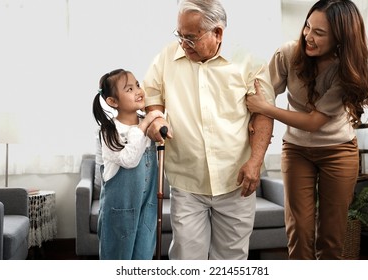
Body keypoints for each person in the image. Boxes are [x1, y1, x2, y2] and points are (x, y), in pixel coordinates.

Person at [142, 0, 275, 260]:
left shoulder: (249, 62)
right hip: (187, 180)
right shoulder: (166, 58)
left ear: (218, 33)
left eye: (191, 37)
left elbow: (263, 115)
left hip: (235, 180)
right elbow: (152, 97)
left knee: (231, 259)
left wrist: (256, 161)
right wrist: (156, 118)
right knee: (186, 259)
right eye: (179, 35)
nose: (183, 43)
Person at [246, 0, 368, 259]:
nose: (308, 36)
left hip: (338, 151)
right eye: (308, 26)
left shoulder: (345, 69)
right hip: (297, 151)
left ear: (341, 38)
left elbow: (314, 122)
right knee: (299, 232)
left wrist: (267, 108)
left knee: (331, 238)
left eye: (319, 32)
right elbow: (263, 94)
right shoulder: (288, 54)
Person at [92, 69, 164, 260]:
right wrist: (144, 124)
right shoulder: (109, 132)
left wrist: (150, 120)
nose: (138, 91)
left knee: (143, 258)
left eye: (138, 85)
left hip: (146, 209)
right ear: (113, 102)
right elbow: (129, 160)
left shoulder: (150, 125)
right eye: (129, 89)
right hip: (118, 212)